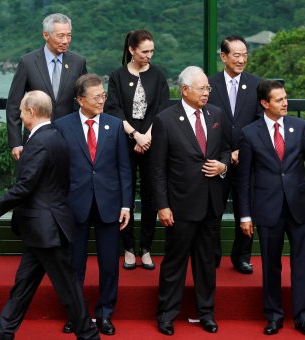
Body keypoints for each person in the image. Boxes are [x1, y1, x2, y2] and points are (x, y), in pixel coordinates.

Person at [0, 90, 99, 340]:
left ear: (31, 112)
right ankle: (2, 334)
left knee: (68, 288)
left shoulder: (41, 141)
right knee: (23, 285)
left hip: (46, 228)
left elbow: (26, 185)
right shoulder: (53, 137)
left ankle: (89, 335)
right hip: (42, 228)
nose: (19, 114)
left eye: (20, 110)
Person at [237, 80, 305, 337]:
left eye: (285, 98)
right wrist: (245, 215)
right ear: (264, 104)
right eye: (279, 100)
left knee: (302, 264)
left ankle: (304, 318)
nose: (285, 103)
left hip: (299, 207)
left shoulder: (300, 127)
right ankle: (273, 317)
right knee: (270, 265)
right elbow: (244, 178)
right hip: (267, 209)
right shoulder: (249, 133)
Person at [151, 66, 230, 335]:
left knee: (207, 263)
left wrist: (223, 166)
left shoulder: (216, 115)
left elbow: (227, 150)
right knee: (174, 263)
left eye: (208, 88)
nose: (207, 92)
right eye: (202, 88)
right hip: (180, 205)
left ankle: (206, 313)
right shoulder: (165, 120)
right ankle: (166, 315)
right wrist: (162, 205)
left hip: (211, 202)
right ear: (184, 90)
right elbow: (157, 168)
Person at [55, 74, 133, 335]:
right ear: (80, 100)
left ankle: (105, 314)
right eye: (96, 97)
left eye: (103, 96)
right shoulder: (62, 126)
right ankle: (76, 315)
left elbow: (125, 169)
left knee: (109, 264)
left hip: (109, 204)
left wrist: (126, 205)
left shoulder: (115, 125)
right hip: (73, 206)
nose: (102, 100)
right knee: (74, 265)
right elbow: (57, 171)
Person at [105, 29, 169, 271]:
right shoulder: (117, 76)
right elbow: (113, 109)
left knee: (152, 196)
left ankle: (146, 248)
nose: (149, 56)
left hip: (153, 142)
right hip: (125, 140)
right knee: (126, 194)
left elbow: (162, 109)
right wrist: (135, 134)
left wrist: (148, 136)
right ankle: (129, 248)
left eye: (152, 51)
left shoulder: (158, 76)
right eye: (144, 51)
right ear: (132, 50)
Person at [207, 35, 263, 274]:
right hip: (218, 158)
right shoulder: (210, 84)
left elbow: (261, 122)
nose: (241, 60)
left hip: (247, 158)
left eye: (245, 55)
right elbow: (206, 122)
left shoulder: (257, 84)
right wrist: (225, 154)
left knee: (246, 208)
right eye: (236, 55)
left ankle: (242, 256)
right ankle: (213, 255)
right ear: (223, 57)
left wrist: (243, 149)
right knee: (213, 209)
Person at [6, 13, 87, 161]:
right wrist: (16, 143)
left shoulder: (78, 62)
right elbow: (13, 104)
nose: (66, 41)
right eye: (60, 36)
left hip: (69, 138)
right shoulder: (28, 62)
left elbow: (84, 100)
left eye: (69, 35)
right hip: (35, 139)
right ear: (46, 35)